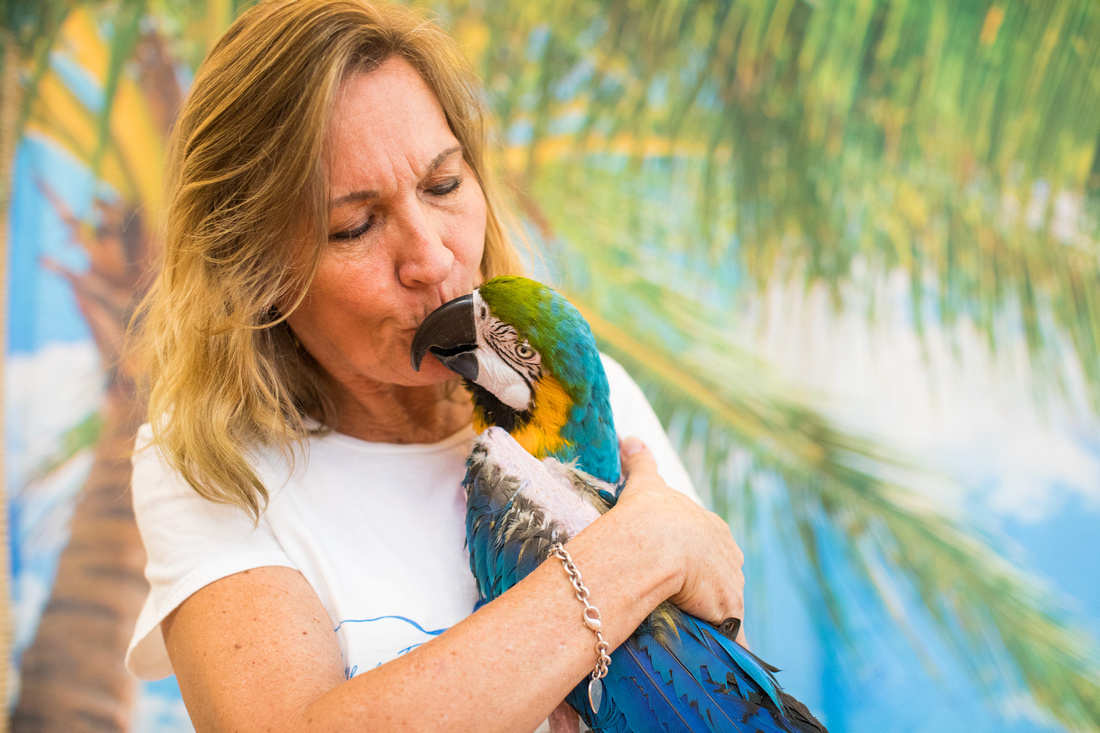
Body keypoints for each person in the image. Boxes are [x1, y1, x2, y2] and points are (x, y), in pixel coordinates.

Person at [125, 0, 747, 730]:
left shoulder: (586, 391)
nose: (431, 257)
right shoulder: (215, 471)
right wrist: (640, 550)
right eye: (355, 225)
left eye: (444, 184)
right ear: (255, 269)